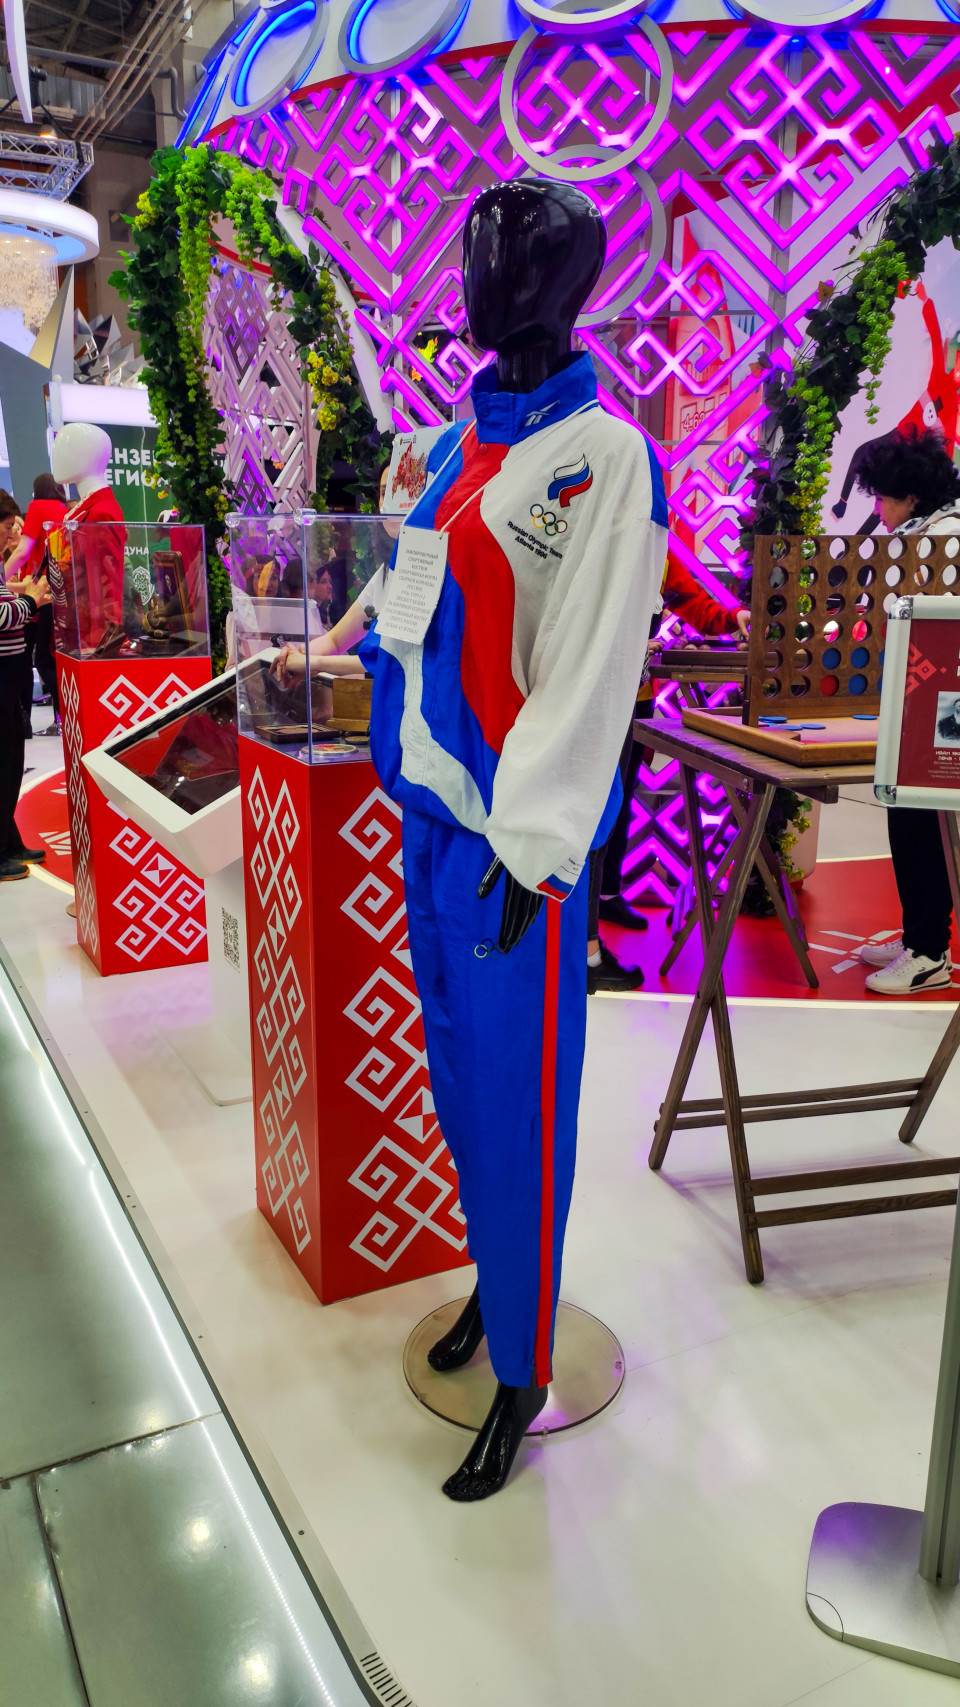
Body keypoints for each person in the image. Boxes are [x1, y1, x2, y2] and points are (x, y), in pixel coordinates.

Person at [586, 554, 750, 992]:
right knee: (593, 807)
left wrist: (734, 616)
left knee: (620, 798)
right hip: (591, 691)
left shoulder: (657, 548)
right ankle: (582, 941)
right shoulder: (598, 534)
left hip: (635, 691)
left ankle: (605, 895)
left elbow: (691, 600)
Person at [854, 429, 960, 993]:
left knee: (923, 822)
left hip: (939, 707)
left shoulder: (944, 539)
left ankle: (929, 950)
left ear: (911, 496)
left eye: (882, 497)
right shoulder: (925, 534)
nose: (878, 509)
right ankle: (919, 933)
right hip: (922, 701)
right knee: (908, 815)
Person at [0, 500, 51, 879]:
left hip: (10, 678)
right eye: (6, 527)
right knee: (4, 764)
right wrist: (31, 599)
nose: (12, 535)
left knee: (12, 762)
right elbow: (2, 616)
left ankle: (9, 839)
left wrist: (24, 594)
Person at [3, 473, 68, 737]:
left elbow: (22, 551)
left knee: (40, 661)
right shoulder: (64, 510)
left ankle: (60, 717)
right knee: (55, 660)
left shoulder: (38, 507)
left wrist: (1, 577)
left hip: (44, 595)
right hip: (63, 595)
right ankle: (64, 717)